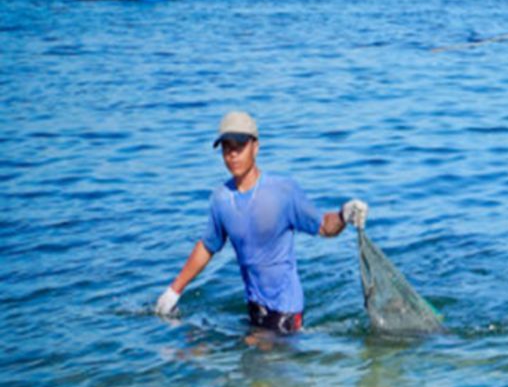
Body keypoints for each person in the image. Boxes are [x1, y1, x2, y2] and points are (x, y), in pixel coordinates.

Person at [154, 111, 368, 335]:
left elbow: (323, 226)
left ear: (255, 147)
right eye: (227, 148)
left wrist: (344, 214)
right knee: (194, 347)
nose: (233, 154)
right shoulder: (221, 199)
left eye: (239, 146)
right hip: (254, 311)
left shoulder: (283, 192)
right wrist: (173, 291)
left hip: (286, 312)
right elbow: (208, 246)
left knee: (258, 359)